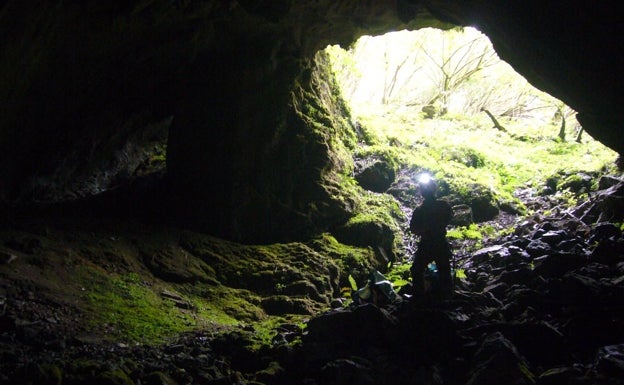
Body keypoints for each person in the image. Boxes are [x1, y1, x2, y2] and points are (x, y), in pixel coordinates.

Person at [409, 173, 453, 298]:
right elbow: (449, 217)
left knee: (417, 269)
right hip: (439, 243)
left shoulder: (420, 210)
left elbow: (413, 229)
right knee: (444, 271)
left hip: (427, 244)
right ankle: (447, 296)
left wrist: (425, 230)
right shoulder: (442, 206)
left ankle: (420, 296)